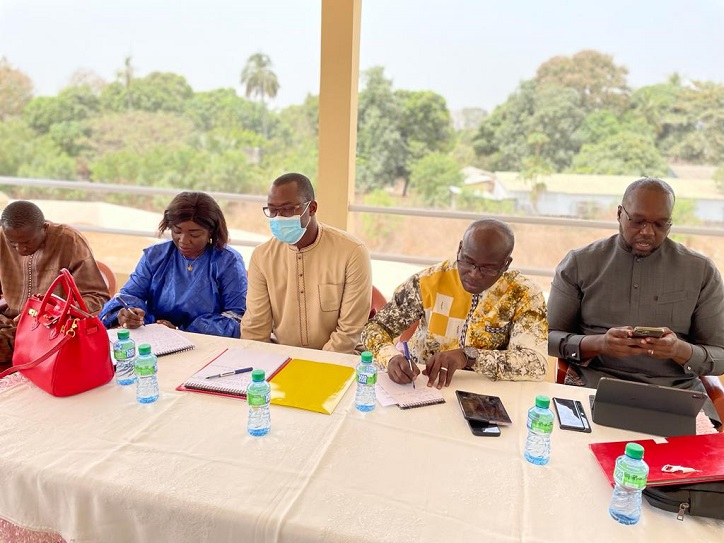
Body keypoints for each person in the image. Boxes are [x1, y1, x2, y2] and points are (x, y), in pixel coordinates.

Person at [548, 177, 724, 425]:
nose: (648, 232)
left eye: (660, 224)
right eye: (638, 221)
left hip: (675, 395)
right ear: (620, 214)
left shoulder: (701, 271)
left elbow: (720, 355)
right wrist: (600, 343)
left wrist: (678, 350)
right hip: (593, 387)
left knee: (682, 464)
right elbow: (547, 338)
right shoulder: (580, 263)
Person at [362, 219, 548, 388]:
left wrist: (469, 357)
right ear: (459, 249)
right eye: (467, 261)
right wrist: (390, 357)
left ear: (506, 263)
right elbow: (375, 328)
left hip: (486, 393)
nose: (474, 274)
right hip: (421, 385)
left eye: (487, 268)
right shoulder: (429, 281)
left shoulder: (523, 295)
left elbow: (536, 364)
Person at [241, 172, 372, 354]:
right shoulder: (262, 257)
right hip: (282, 358)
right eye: (272, 210)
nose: (278, 217)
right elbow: (256, 328)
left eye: (287, 209)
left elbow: (349, 331)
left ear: (311, 208)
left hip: (341, 359)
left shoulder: (352, 252)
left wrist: (317, 365)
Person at [99, 192, 247, 338]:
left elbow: (236, 317)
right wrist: (127, 314)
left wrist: (180, 331)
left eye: (194, 234)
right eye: (177, 231)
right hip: (155, 337)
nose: (183, 240)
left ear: (211, 232)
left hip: (207, 341)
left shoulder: (228, 262)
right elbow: (128, 296)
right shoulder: (155, 256)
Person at [0, 200, 109, 364]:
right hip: (10, 321)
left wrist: (49, 314)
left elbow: (97, 297)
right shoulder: (2, 237)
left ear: (44, 227)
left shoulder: (69, 241)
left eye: (27, 242)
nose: (20, 249)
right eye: (13, 243)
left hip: (51, 328)